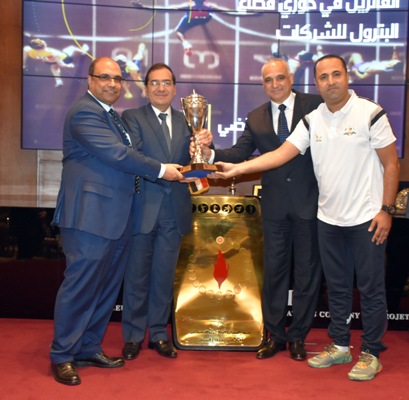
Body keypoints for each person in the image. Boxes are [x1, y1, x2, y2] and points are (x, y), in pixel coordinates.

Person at [210, 54, 400, 381]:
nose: (331, 82)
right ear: (316, 83)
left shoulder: (370, 112)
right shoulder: (313, 119)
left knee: (370, 289)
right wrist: (237, 169)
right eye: (323, 77)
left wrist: (386, 209)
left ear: (346, 77)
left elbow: (391, 163)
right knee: (337, 288)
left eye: (336, 74)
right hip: (328, 219)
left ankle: (371, 351)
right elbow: (279, 154)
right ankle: (340, 345)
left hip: (367, 219)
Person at [50, 57, 184, 386]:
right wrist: (161, 170)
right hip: (89, 216)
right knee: (81, 286)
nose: (112, 83)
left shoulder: (111, 116)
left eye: (117, 79)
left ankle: (88, 347)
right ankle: (62, 355)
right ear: (90, 80)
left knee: (105, 288)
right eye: (105, 77)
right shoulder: (85, 112)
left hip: (117, 217)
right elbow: (118, 155)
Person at [200, 58, 323, 362]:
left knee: (307, 274)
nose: (275, 84)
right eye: (268, 80)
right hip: (275, 207)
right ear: (263, 84)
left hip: (311, 204)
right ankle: (276, 336)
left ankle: (298, 337)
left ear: (291, 78)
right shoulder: (255, 117)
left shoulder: (315, 105)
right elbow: (239, 152)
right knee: (274, 273)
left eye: (280, 78)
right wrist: (210, 153)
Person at [120, 63, 212, 360]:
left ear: (175, 89)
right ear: (146, 88)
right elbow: (133, 157)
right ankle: (133, 335)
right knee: (136, 277)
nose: (161, 88)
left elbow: (196, 161)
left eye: (167, 83)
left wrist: (204, 150)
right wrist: (167, 172)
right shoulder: (132, 117)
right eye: (155, 83)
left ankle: (159, 333)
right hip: (142, 209)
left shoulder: (188, 121)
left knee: (163, 276)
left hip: (175, 209)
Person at [23, 38, 89, 87]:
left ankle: (58, 81)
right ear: (43, 46)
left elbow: (24, 58)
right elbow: (62, 65)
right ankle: (83, 51)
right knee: (71, 48)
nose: (43, 42)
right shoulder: (53, 53)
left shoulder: (26, 49)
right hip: (64, 59)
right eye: (42, 42)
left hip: (49, 62)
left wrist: (23, 65)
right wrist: (70, 65)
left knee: (54, 67)